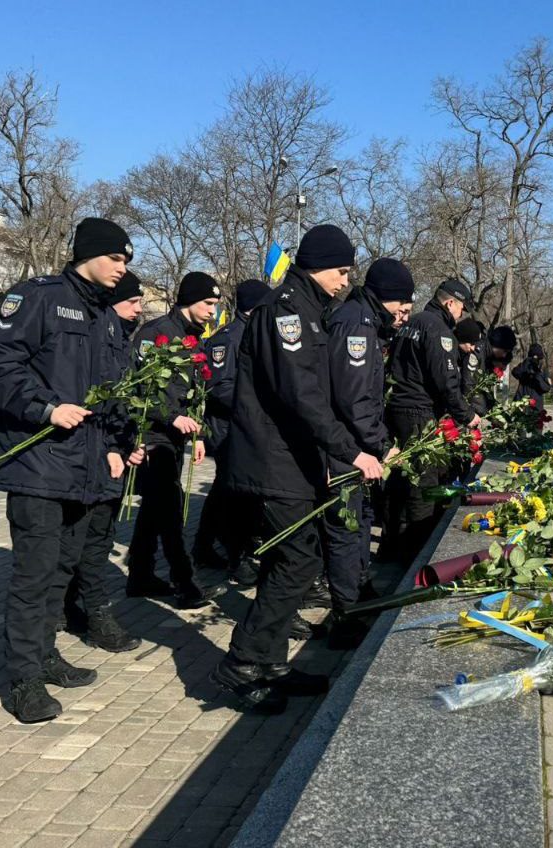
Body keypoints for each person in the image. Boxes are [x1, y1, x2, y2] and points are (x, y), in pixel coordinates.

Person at [210, 224, 383, 713]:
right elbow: (300, 395)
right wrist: (351, 451)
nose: (346, 281)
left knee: (293, 560)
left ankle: (270, 660)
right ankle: (241, 663)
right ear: (317, 264)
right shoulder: (283, 309)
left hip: (294, 460)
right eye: (341, 271)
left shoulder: (310, 309)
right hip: (271, 459)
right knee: (297, 561)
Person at [0, 216, 139, 723]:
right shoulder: (39, 297)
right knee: (34, 574)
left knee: (61, 570)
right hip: (38, 462)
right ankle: (23, 678)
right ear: (87, 253)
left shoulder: (107, 319)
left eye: (127, 261)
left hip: (85, 468)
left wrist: (118, 443)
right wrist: (46, 409)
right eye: (115, 258)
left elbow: (113, 390)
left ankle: (46, 654)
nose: (122, 268)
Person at [321, 258, 413, 648]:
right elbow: (354, 398)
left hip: (353, 446)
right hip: (344, 448)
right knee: (343, 530)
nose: (404, 314)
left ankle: (358, 593)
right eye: (403, 306)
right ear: (387, 298)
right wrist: (380, 444)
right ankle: (346, 618)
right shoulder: (356, 325)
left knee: (356, 521)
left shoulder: (367, 322)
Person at [124, 272, 227, 609]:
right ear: (189, 300)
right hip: (152, 436)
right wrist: (171, 417)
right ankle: (185, 584)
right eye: (208, 304)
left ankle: (140, 575)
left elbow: (193, 393)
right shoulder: (156, 334)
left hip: (175, 437)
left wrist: (195, 433)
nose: (212, 311)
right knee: (170, 509)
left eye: (215, 305)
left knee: (154, 510)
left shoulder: (193, 338)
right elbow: (137, 391)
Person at [61, 271, 144, 654]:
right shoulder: (102, 335)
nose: (139, 309)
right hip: (93, 456)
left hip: (112, 454)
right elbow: (100, 401)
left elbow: (121, 404)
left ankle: (71, 607)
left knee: (96, 538)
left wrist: (129, 444)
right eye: (133, 302)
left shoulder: (120, 338)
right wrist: (114, 443)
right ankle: (95, 615)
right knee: (88, 544)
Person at [384, 278, 482, 563]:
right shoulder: (438, 331)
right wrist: (468, 416)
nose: (461, 315)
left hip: (396, 412)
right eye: (461, 308)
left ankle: (390, 550)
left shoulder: (411, 323)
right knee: (423, 487)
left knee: (398, 484)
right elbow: (446, 384)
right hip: (420, 415)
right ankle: (415, 556)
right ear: (450, 302)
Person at [193, 279, 273, 583]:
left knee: (228, 493)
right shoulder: (228, 338)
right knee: (231, 493)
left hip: (244, 426)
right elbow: (219, 387)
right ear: (254, 307)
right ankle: (231, 555)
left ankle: (209, 546)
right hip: (227, 428)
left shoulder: (253, 332)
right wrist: (259, 400)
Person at [513, 343, 553, 412]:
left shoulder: (542, 369)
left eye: (537, 357)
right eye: (533, 356)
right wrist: (527, 362)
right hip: (521, 403)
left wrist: (537, 374)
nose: (535, 359)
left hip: (536, 406)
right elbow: (515, 372)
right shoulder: (524, 366)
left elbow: (546, 388)